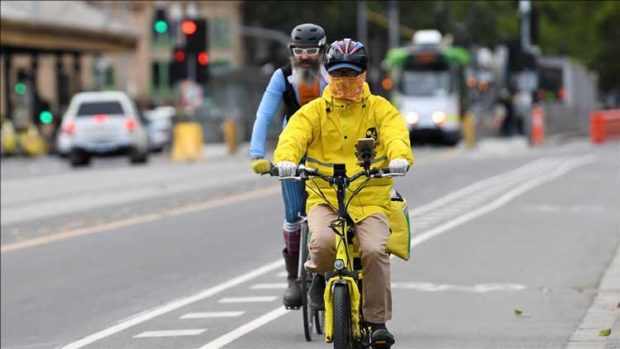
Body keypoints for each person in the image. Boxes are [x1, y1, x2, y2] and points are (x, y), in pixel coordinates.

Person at [273, 38, 414, 347]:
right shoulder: (313, 112)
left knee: (375, 250)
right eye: (338, 75)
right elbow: (293, 135)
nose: (345, 82)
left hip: (369, 201)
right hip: (325, 198)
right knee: (322, 242)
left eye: (351, 74)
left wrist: (400, 156)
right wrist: (285, 160)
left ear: (364, 75)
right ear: (328, 74)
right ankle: (319, 278)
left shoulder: (380, 109)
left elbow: (395, 134)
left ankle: (378, 321)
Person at [249, 23, 329, 308]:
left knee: (337, 212)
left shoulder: (332, 77)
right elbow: (264, 115)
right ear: (291, 52)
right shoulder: (282, 78)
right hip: (292, 152)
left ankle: (328, 270)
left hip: (328, 151)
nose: (305, 57)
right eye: (299, 51)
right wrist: (257, 154)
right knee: (294, 215)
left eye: (311, 51)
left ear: (323, 51)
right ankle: (293, 279)